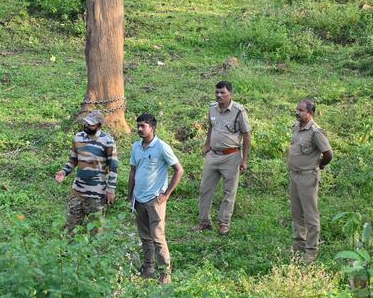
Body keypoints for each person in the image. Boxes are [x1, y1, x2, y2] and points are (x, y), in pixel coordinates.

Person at [128, 112, 184, 282]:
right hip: (139, 199)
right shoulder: (136, 147)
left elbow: (179, 170)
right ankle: (148, 269)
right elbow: (133, 171)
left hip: (155, 200)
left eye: (142, 126)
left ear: (152, 128)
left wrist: (166, 194)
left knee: (158, 238)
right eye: (138, 125)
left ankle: (165, 275)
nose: (139, 129)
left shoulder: (162, 147)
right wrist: (129, 195)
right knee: (145, 237)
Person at [195, 81, 251, 235]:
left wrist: (244, 160)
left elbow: (247, 135)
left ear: (230, 94)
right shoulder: (212, 108)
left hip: (231, 156)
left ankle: (224, 223)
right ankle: (204, 221)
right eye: (217, 92)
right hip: (213, 155)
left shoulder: (239, 111)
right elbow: (211, 128)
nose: (219, 95)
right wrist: (207, 145)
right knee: (205, 189)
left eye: (223, 93)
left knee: (229, 191)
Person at [55, 110, 118, 236]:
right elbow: (73, 160)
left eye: (91, 124)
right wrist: (64, 172)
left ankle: (93, 255)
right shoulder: (78, 138)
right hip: (78, 191)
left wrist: (111, 189)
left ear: (99, 125)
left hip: (96, 193)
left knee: (95, 230)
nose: (87, 126)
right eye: (86, 123)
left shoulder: (108, 141)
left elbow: (113, 167)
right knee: (70, 227)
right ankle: (68, 253)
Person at [287, 99, 333, 263]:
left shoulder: (316, 132)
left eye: (300, 110)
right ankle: (299, 243)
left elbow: (328, 154)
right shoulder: (297, 127)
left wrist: (320, 165)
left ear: (310, 113)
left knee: (310, 215)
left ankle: (311, 250)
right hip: (295, 175)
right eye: (297, 109)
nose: (297, 112)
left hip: (308, 177)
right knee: (297, 211)